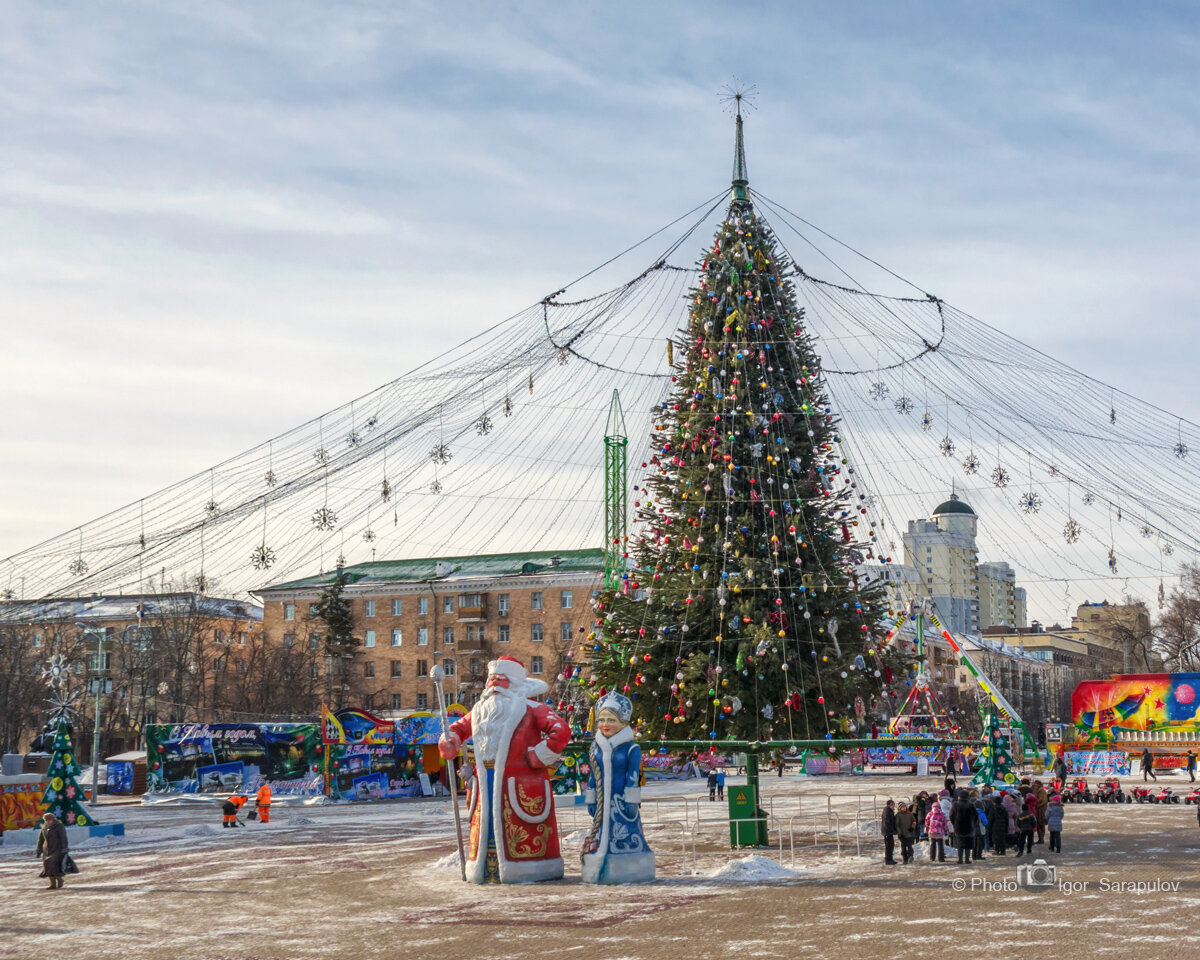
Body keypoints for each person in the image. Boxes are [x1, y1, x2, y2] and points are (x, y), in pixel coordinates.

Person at [438, 656, 571, 884]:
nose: (494, 684)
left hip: (518, 783)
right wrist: (449, 740)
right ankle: (489, 870)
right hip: (485, 782)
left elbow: (561, 731)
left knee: (519, 827)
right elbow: (457, 729)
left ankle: (528, 869)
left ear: (516, 683)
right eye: (491, 679)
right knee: (487, 828)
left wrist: (537, 756)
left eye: (502, 679)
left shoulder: (533, 708)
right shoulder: (480, 710)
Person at [581, 692, 654, 884]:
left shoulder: (631, 749)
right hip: (602, 803)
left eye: (611, 720)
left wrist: (631, 799)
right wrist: (591, 797)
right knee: (601, 831)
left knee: (625, 831)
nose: (605, 724)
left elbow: (633, 777)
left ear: (623, 723)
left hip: (620, 802)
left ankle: (628, 858)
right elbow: (592, 775)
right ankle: (599, 860)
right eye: (602, 719)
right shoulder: (596, 748)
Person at [35, 812, 68, 890]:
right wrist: (39, 850)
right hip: (46, 850)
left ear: (53, 819)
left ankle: (59, 880)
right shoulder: (44, 828)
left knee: (53, 864)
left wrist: (64, 848)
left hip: (57, 849)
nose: (48, 821)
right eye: (46, 820)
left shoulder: (59, 826)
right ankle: (52, 883)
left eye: (49, 820)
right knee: (47, 866)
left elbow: (63, 838)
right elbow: (41, 840)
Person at [950, 790, 977, 864]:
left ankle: (960, 859)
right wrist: (973, 823)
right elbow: (976, 816)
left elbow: (951, 815)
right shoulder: (971, 805)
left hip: (958, 826)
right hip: (969, 826)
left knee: (960, 843)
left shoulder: (955, 804)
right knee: (968, 843)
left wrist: (954, 823)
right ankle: (967, 859)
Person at [925, 797, 948, 862]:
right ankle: (941, 858)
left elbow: (927, 822)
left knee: (933, 844)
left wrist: (926, 829)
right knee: (940, 844)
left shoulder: (929, 814)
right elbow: (944, 824)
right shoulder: (942, 814)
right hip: (940, 832)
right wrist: (945, 830)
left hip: (932, 831)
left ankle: (932, 857)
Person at [971, 790, 988, 861]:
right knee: (980, 843)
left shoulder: (972, 812)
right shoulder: (981, 813)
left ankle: (973, 855)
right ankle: (979, 855)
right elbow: (985, 822)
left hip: (973, 830)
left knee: (974, 843)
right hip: (981, 830)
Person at [881, 800, 898, 865]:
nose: (893, 806)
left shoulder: (889, 811)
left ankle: (890, 859)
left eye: (893, 805)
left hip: (888, 832)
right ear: (888, 805)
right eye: (892, 805)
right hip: (887, 832)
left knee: (891, 845)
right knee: (889, 846)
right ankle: (888, 860)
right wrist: (891, 830)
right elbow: (887, 823)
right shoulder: (887, 811)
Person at [1033, 781, 1049, 845]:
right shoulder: (1035, 790)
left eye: (1036, 784)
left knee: (1041, 824)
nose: (1034, 785)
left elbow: (1043, 800)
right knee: (1039, 824)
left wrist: (1036, 804)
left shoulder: (1041, 791)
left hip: (1041, 810)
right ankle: (1040, 838)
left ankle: (1041, 839)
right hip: (1038, 810)